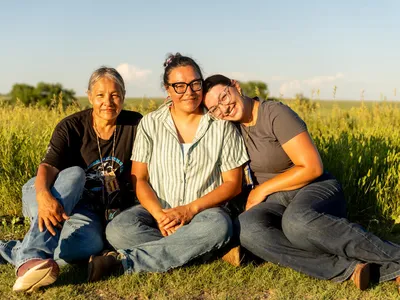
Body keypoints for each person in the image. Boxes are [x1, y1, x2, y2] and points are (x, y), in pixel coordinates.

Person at [202, 74, 400, 291]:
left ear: (236, 87)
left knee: (297, 222)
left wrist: (262, 190)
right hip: (277, 200)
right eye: (214, 108)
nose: (224, 108)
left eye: (224, 97)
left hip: (314, 187)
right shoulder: (232, 128)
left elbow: (313, 167)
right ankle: (350, 269)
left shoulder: (274, 113)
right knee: (247, 229)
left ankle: (395, 258)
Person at [86, 53, 249, 281]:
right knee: (118, 229)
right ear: (168, 89)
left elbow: (233, 184)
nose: (189, 92)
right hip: (159, 209)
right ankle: (207, 250)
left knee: (218, 226)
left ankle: (124, 262)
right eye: (179, 86)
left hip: (204, 213)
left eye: (194, 84)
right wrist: (160, 215)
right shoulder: (151, 124)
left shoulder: (221, 125)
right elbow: (139, 178)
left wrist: (190, 210)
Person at [0, 67, 142, 292]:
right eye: (100, 95)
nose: (108, 102)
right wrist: (44, 197)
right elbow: (47, 167)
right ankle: (29, 257)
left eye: (115, 95)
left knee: (89, 245)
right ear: (89, 96)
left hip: (83, 209)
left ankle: (13, 250)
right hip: (51, 190)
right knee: (75, 174)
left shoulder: (135, 125)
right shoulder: (71, 126)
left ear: (123, 95)